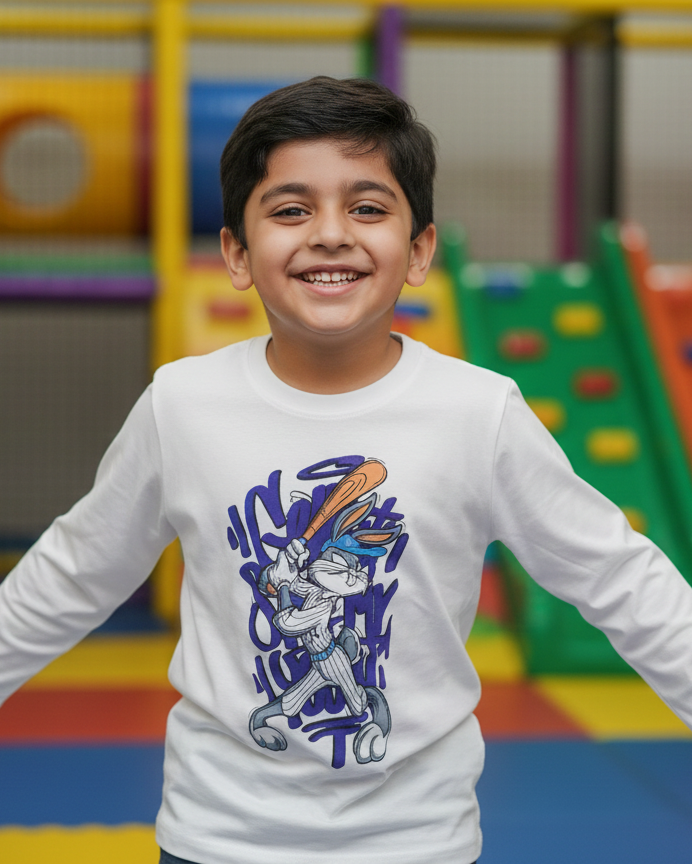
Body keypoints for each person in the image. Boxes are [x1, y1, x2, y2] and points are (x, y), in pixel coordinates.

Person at [1, 75, 691, 864]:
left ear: (421, 249)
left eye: (367, 208)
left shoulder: (479, 412)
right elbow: (69, 576)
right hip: (217, 839)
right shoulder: (183, 405)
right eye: (291, 209)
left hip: (417, 843)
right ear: (235, 251)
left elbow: (622, 580)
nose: (330, 234)